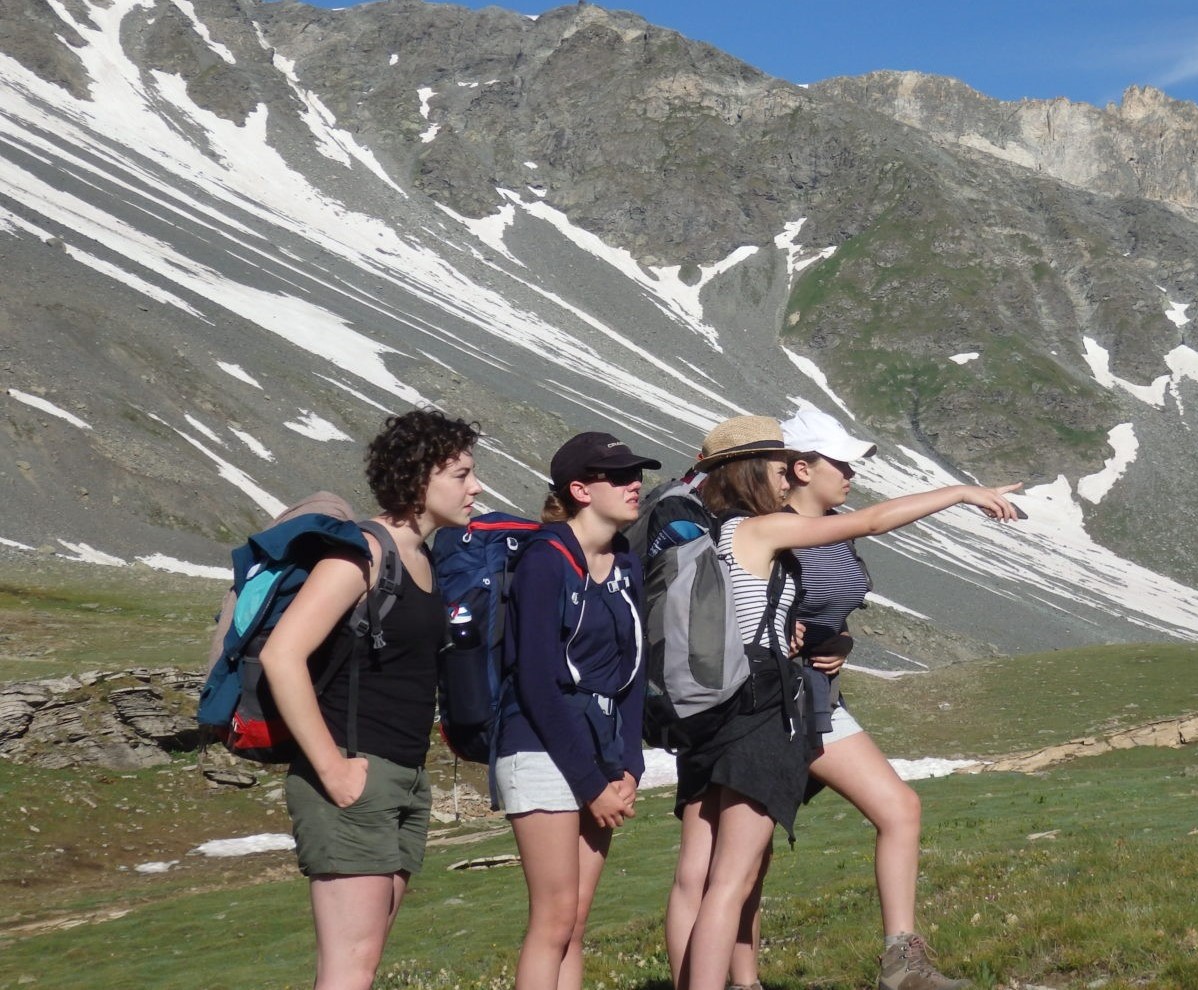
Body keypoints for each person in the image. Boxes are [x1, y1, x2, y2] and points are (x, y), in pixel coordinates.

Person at [666, 415, 1019, 990]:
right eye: (782, 470)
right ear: (773, 471)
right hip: (765, 710)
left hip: (741, 704)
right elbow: (876, 522)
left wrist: (823, 636)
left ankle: (748, 981)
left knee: (725, 870)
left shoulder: (727, 533)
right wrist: (960, 492)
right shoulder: (760, 530)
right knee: (729, 876)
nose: (789, 479)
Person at [732, 407, 972, 990]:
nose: (850, 473)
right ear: (802, 468)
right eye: (839, 463)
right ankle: (742, 980)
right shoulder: (776, 527)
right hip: (772, 702)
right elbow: (755, 608)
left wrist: (839, 638)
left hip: (817, 694)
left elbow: (825, 607)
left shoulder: (832, 527)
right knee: (746, 855)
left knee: (898, 809)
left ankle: (900, 959)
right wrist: (963, 492)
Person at [260, 408, 482, 990]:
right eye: (461, 474)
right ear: (418, 478)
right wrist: (333, 769)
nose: (475, 487)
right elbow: (282, 656)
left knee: (363, 961)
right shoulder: (360, 553)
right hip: (353, 773)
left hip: (402, 778)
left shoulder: (425, 560)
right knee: (349, 967)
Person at [495, 431, 660, 990]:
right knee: (554, 917)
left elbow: (632, 673)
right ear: (580, 489)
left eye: (636, 474)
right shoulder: (545, 561)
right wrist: (593, 784)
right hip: (539, 746)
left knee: (576, 923)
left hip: (600, 753)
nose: (635, 484)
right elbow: (537, 683)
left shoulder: (625, 563)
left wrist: (628, 764)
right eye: (619, 477)